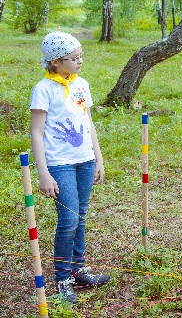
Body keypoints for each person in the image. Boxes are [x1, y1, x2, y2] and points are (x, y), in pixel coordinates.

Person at [30, 31, 110, 304]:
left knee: (81, 216)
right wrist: (43, 173)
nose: (79, 62)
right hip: (59, 164)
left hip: (84, 160)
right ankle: (63, 279)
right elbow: (37, 134)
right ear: (54, 62)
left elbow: (88, 124)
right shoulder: (43, 89)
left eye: (80, 56)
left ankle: (79, 270)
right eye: (73, 58)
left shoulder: (81, 84)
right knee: (68, 220)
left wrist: (98, 158)